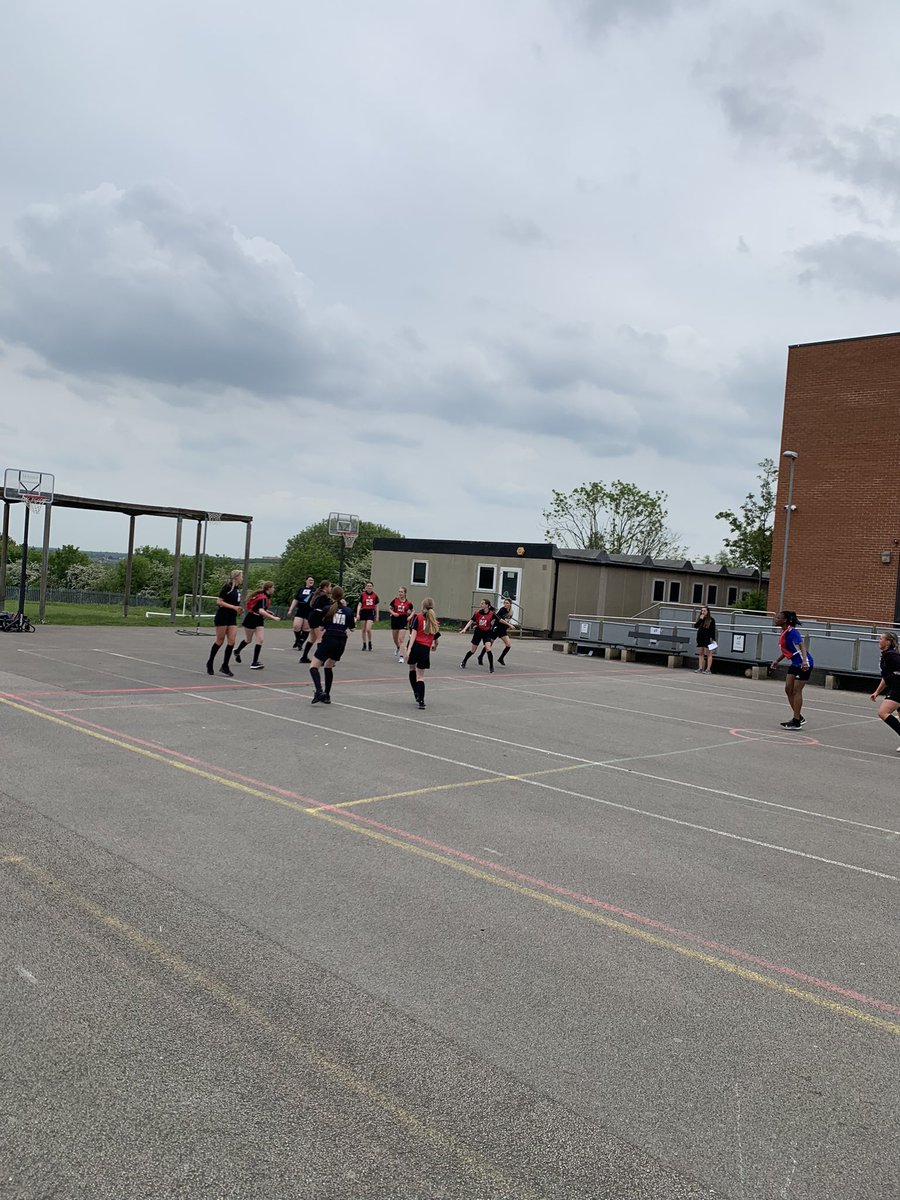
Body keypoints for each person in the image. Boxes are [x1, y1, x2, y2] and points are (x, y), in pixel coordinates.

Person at [310, 585, 355, 704]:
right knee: (328, 666)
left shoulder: (327, 609)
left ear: (332, 596)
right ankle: (327, 695)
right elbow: (352, 629)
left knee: (314, 666)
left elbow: (320, 627)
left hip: (329, 639)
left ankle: (319, 691)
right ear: (343, 596)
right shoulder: (348, 611)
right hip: (341, 642)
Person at [770, 610, 813, 729]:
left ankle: (796, 720)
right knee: (788, 689)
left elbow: (802, 646)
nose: (775, 619)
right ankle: (799, 716)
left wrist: (804, 661)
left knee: (796, 691)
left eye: (778, 618)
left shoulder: (792, 631)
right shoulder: (783, 632)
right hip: (795, 663)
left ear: (784, 620)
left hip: (803, 663)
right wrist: (777, 660)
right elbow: (788, 650)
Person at [235, 581, 281, 670]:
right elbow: (260, 611)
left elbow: (260, 609)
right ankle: (237, 651)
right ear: (269, 588)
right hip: (251, 619)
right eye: (273, 587)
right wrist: (273, 617)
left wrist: (268, 612)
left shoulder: (265, 596)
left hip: (259, 620)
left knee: (260, 640)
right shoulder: (262, 597)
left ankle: (254, 662)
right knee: (248, 640)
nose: (274, 589)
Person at [206, 569, 243, 677]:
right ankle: (210, 662)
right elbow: (219, 602)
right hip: (222, 617)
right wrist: (233, 607)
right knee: (220, 640)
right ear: (236, 577)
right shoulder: (227, 587)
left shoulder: (237, 589)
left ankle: (225, 665)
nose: (242, 578)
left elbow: (235, 603)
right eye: (241, 576)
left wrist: (238, 609)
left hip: (232, 618)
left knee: (232, 641)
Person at [405, 598, 440, 709]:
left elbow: (413, 634)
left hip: (416, 646)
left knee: (412, 669)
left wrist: (409, 649)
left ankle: (416, 692)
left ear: (423, 606)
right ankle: (421, 700)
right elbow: (436, 635)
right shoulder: (434, 619)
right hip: (425, 649)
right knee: (420, 676)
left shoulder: (418, 617)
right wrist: (435, 645)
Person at [869, 631, 900, 752]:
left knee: (883, 712)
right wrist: (877, 691)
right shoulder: (886, 655)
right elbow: (886, 677)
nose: (879, 641)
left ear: (888, 642)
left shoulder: (891, 656)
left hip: (898, 687)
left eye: (881, 638)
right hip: (894, 686)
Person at [479, 595, 516, 667]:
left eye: (507, 603)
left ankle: (501, 658)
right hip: (496, 629)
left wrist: (509, 625)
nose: (505, 604)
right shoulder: (502, 610)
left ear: (510, 604)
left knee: (508, 645)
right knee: (489, 645)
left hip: (503, 630)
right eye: (504, 603)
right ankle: (480, 656)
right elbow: (499, 620)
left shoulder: (511, 612)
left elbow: (507, 620)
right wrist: (509, 624)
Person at [460, 598, 496, 672]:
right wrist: (465, 629)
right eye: (481, 603)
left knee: (488, 648)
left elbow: (500, 620)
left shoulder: (492, 613)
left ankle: (491, 667)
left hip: (487, 633)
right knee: (473, 650)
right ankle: (464, 661)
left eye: (482, 603)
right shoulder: (478, 613)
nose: (481, 605)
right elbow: (471, 621)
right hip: (478, 632)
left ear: (487, 605)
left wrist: (509, 625)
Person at [301, 582, 332, 664]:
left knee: (312, 638)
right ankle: (320, 660)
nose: (331, 588)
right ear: (326, 587)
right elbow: (327, 608)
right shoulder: (323, 596)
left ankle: (304, 657)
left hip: (312, 616)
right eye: (330, 586)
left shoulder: (317, 594)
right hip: (317, 617)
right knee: (320, 638)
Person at [287, 576, 316, 653]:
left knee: (306, 628)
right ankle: (297, 639)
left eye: (312, 580)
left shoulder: (315, 590)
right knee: (296, 626)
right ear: (306, 581)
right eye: (310, 580)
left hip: (309, 611)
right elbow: (296, 600)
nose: (311, 581)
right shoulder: (301, 589)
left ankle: (300, 643)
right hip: (300, 610)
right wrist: (290, 609)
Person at [389, 586, 415, 661]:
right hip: (395, 620)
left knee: (400, 639)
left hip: (403, 620)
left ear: (405, 593)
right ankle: (398, 647)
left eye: (401, 592)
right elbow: (390, 608)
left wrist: (410, 617)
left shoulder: (408, 603)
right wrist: (393, 613)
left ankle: (401, 656)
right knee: (395, 639)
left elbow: (413, 610)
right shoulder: (395, 600)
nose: (400, 593)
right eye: (399, 592)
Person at [693, 606, 717, 674]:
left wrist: (713, 639)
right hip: (700, 637)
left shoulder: (711, 620)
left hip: (708, 638)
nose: (703, 612)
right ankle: (700, 668)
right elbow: (695, 626)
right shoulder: (700, 619)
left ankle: (708, 669)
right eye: (702, 611)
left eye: (704, 611)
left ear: (707, 612)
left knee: (709, 653)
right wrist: (700, 620)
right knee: (701, 653)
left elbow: (713, 630)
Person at [356, 581, 380, 651]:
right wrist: (358, 614)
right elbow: (360, 604)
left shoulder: (375, 595)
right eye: (368, 586)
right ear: (366, 587)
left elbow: (376, 606)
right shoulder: (363, 594)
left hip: (371, 612)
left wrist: (377, 615)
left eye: (370, 586)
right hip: (363, 612)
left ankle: (369, 642)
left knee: (368, 629)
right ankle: (364, 644)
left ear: (372, 587)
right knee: (363, 630)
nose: (369, 587)